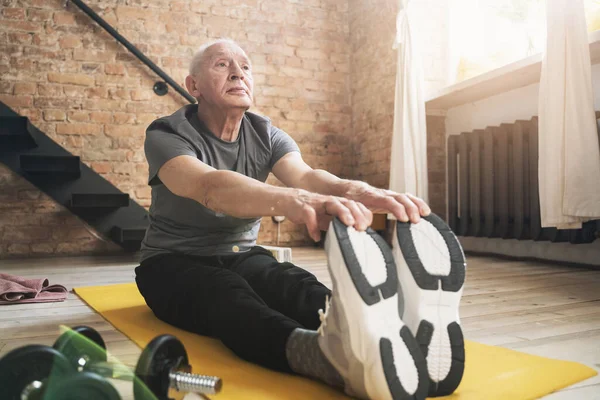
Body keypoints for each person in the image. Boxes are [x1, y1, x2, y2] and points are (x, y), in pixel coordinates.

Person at [134, 38, 466, 400]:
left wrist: (362, 192)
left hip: (240, 255)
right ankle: (325, 358)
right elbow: (209, 186)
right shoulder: (167, 133)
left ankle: (388, 337)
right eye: (221, 65)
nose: (237, 73)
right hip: (169, 265)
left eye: (245, 66)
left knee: (294, 285)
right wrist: (296, 201)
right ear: (193, 85)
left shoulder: (265, 133)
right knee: (229, 297)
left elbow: (308, 177)